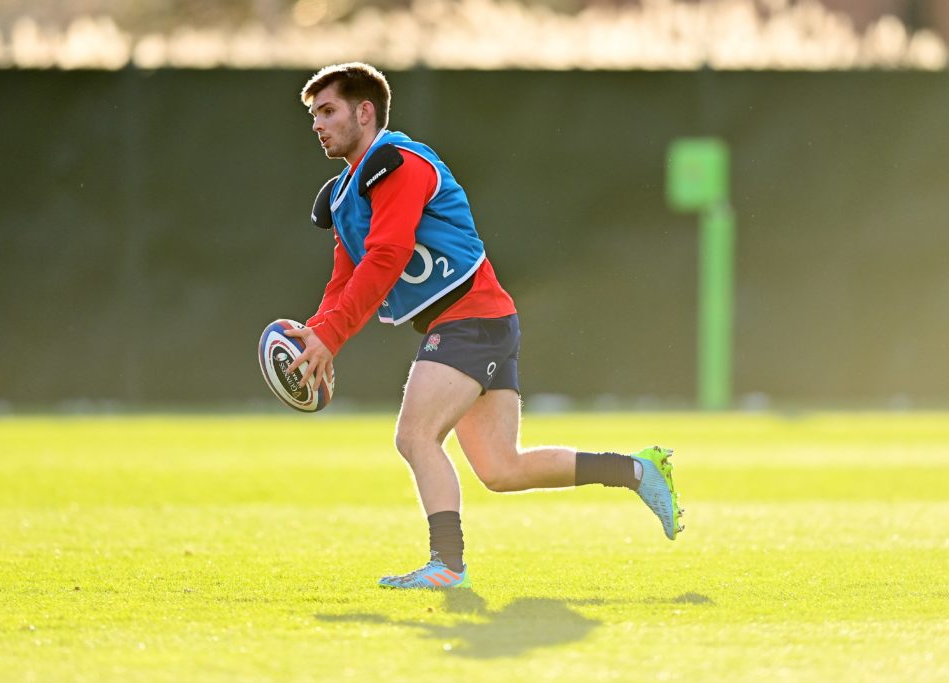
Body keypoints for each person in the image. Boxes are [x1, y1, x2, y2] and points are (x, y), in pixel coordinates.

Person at [285, 62, 683, 590]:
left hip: (470, 319)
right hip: (474, 322)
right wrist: (316, 335)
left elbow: (387, 257)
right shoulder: (342, 193)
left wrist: (332, 338)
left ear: (365, 111)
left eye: (328, 111)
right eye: (314, 114)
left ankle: (447, 565)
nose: (318, 124)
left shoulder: (398, 163)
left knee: (415, 436)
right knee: (501, 469)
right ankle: (636, 470)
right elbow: (345, 279)